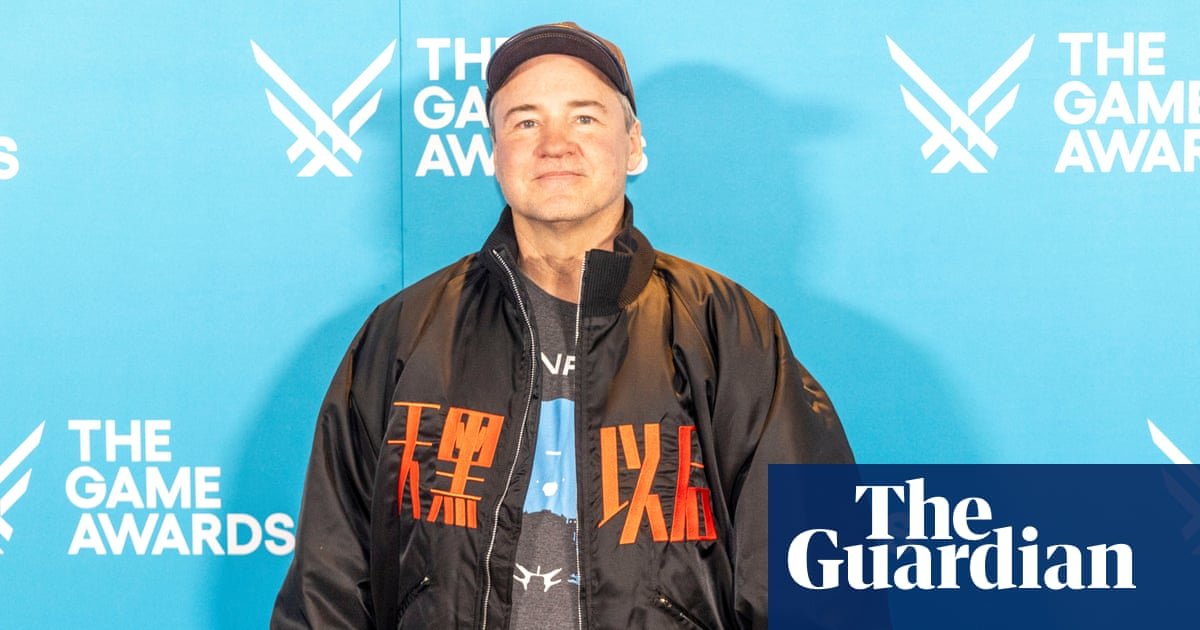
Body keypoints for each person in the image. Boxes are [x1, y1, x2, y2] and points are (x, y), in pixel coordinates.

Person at [271, 21, 853, 630]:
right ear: (494, 152)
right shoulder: (403, 334)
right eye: (525, 121)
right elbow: (328, 587)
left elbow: (816, 586)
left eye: (585, 118)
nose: (555, 144)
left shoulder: (728, 332)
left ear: (633, 143)